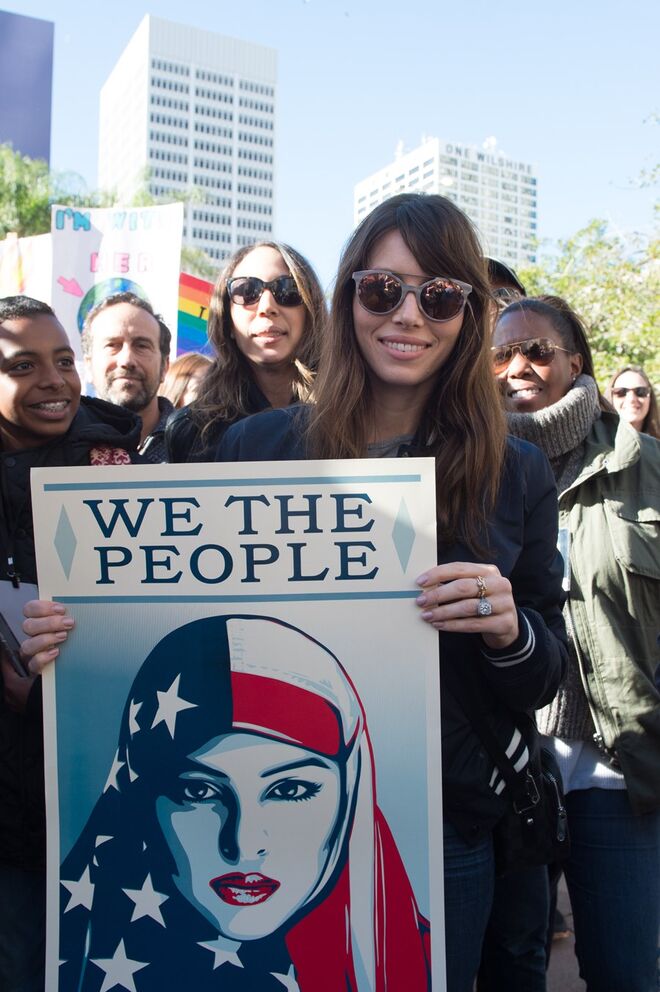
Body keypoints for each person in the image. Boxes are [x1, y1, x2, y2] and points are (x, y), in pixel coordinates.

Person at [22, 195, 568, 991]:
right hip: (227, 828)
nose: (408, 315)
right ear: (347, 298)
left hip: (445, 823)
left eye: (440, 296)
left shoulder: (515, 469)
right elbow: (182, 612)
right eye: (383, 289)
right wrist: (81, 631)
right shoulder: (260, 444)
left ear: (469, 314)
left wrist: (508, 630)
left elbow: (545, 673)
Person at [57, 614, 430, 991]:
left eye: (289, 790)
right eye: (199, 792)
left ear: (350, 792)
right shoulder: (73, 953)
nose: (245, 846)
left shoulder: (429, 960)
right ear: (141, 792)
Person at [491, 295, 660, 992]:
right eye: (501, 355)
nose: (517, 368)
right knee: (512, 968)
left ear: (576, 362)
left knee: (625, 972)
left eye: (537, 351)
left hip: (618, 770)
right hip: (505, 768)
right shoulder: (468, 468)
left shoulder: (646, 466)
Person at [0, 296, 142, 992]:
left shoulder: (114, 463)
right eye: (23, 366)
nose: (54, 381)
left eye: (63, 360)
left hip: (100, 778)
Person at [165, 241, 326, 463]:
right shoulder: (188, 430)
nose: (267, 307)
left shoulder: (353, 414)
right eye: (247, 291)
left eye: (287, 289)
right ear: (226, 319)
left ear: (310, 312)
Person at [82, 292, 173, 462]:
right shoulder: (56, 445)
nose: (127, 360)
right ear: (88, 365)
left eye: (142, 346)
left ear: (164, 366)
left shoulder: (201, 445)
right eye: (112, 345)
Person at [605, 364, 659, 439]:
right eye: (621, 392)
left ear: (650, 398)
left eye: (640, 391)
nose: (631, 399)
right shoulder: (594, 442)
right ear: (611, 397)